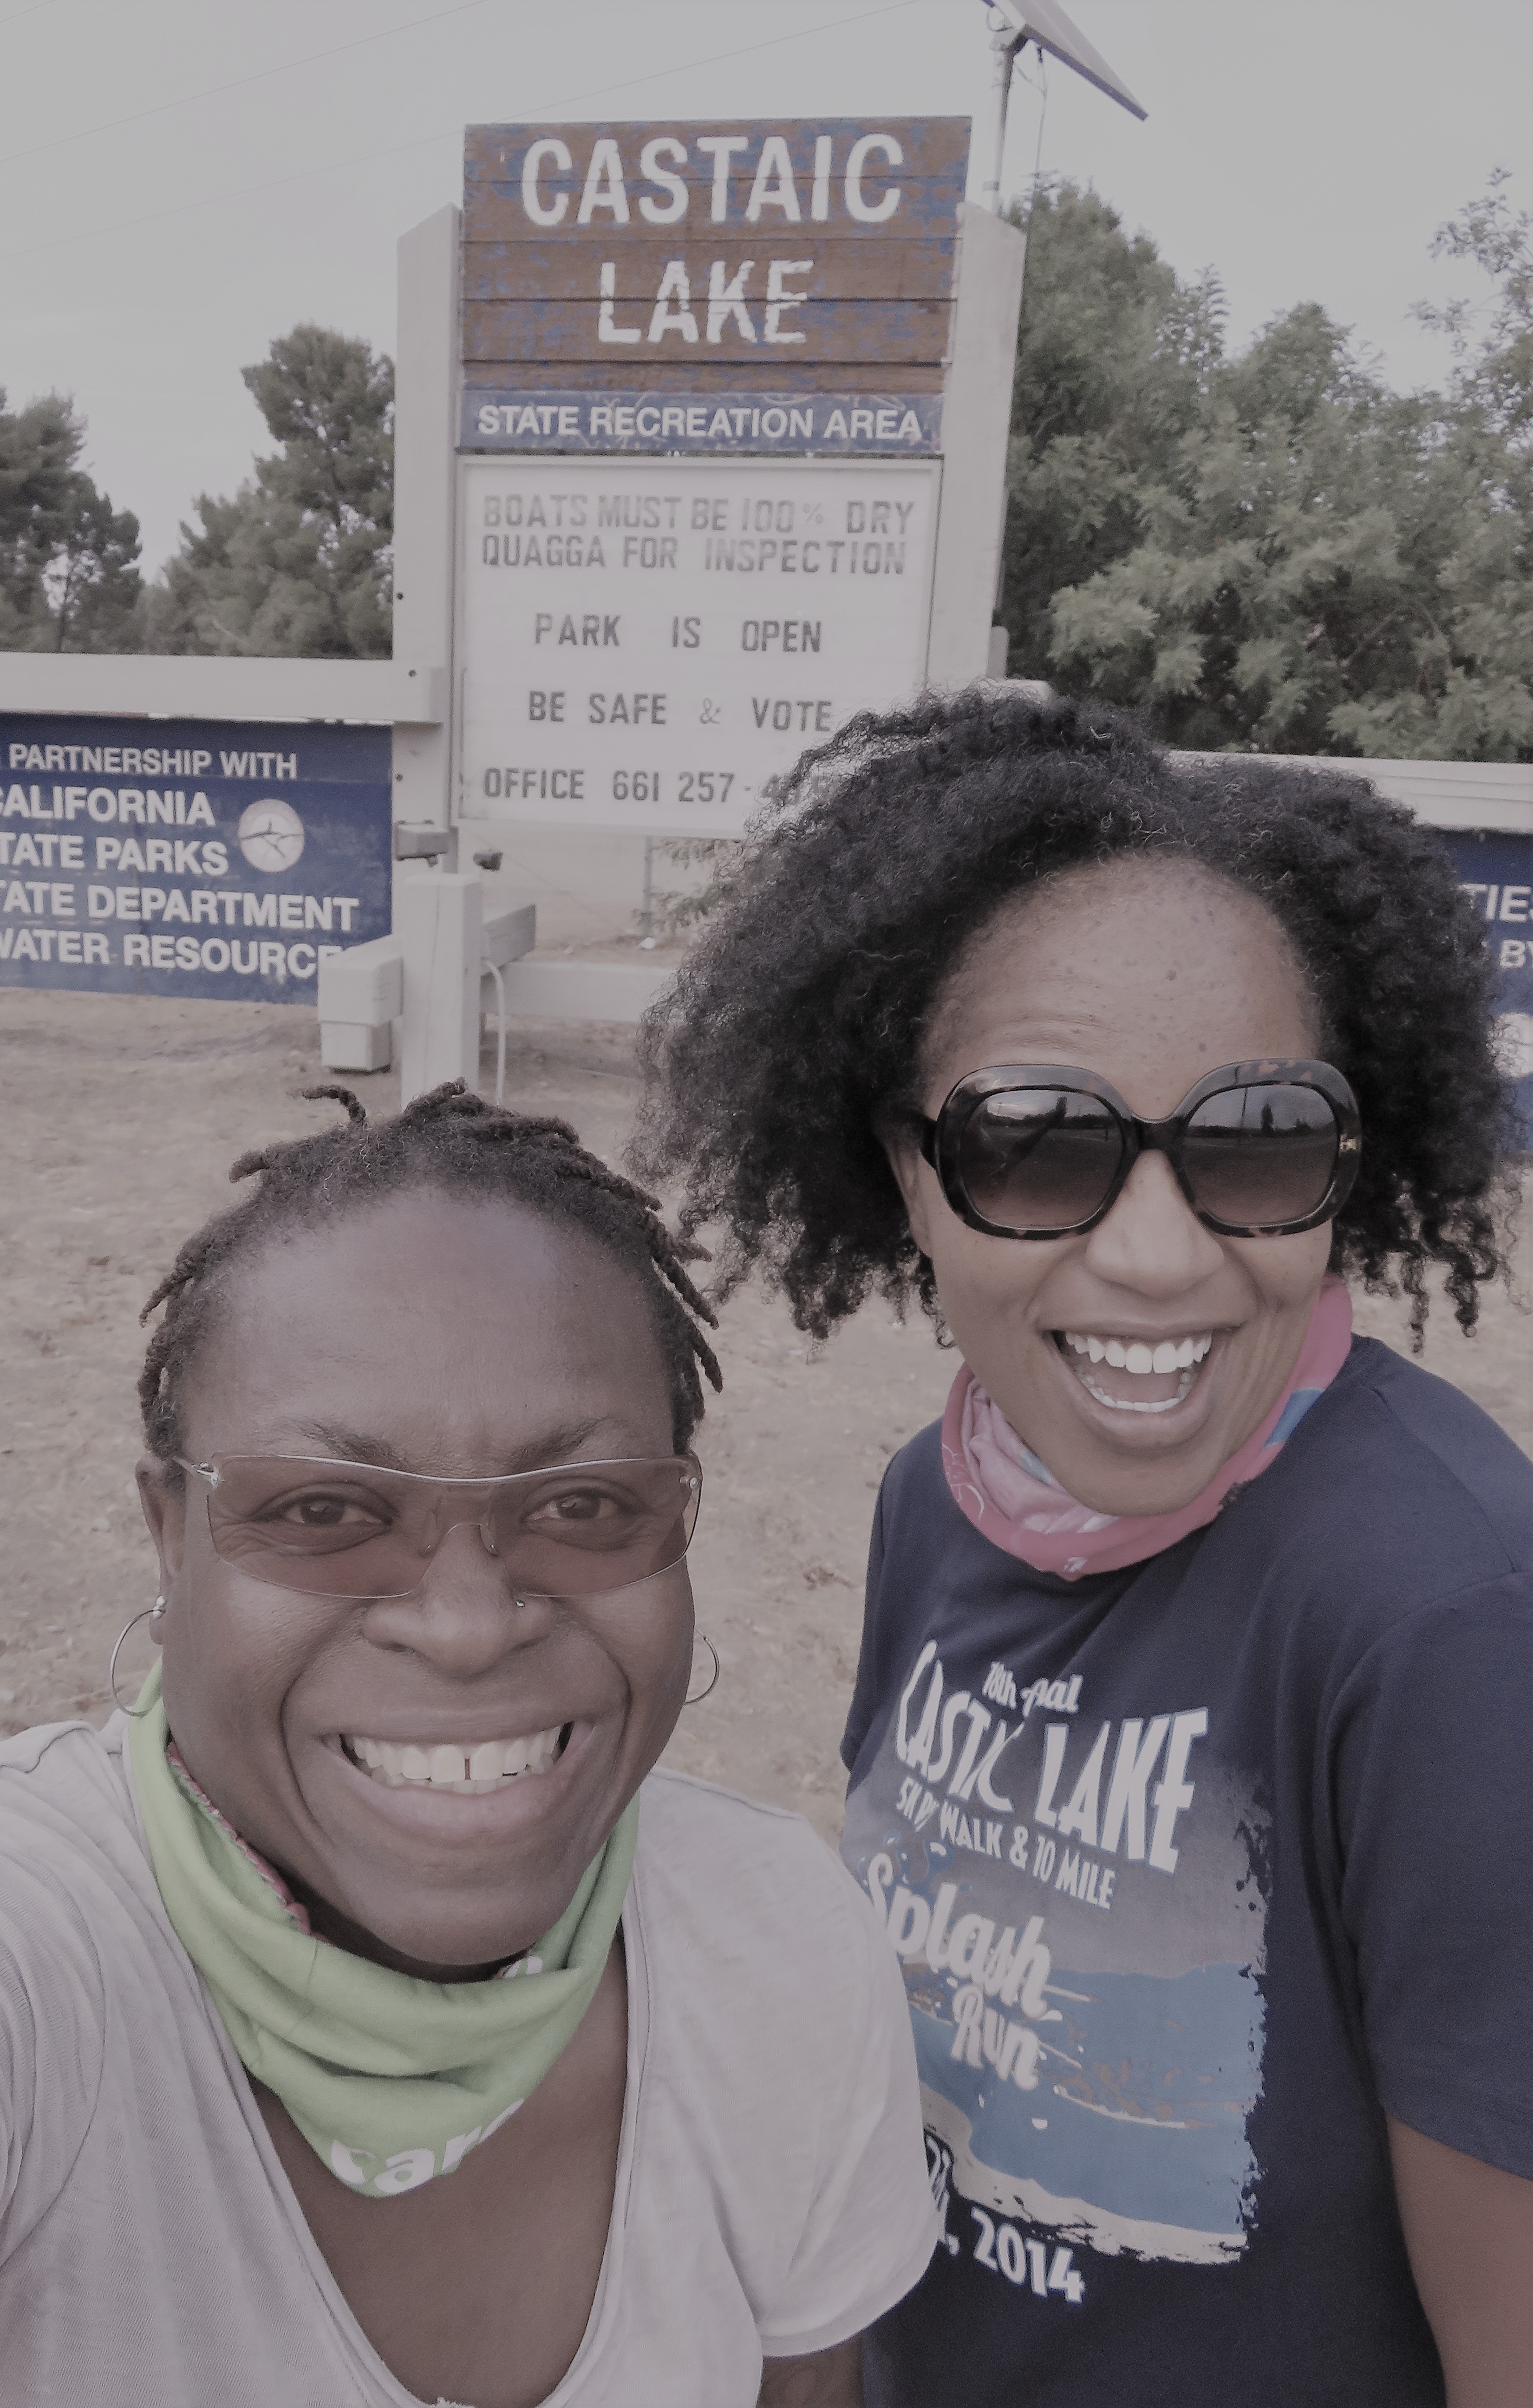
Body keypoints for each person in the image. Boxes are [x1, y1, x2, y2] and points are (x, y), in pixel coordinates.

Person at [0, 1084, 937, 2408]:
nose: (466, 1628)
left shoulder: (780, 1952)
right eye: (322, 1511)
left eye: (585, 1504)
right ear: (170, 1538)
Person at [636, 689, 1533, 2407]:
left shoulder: (1449, 1620)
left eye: (1256, 1144)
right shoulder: (934, 1497)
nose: (1157, 1255)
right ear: (906, 1170)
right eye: (1036, 1145)